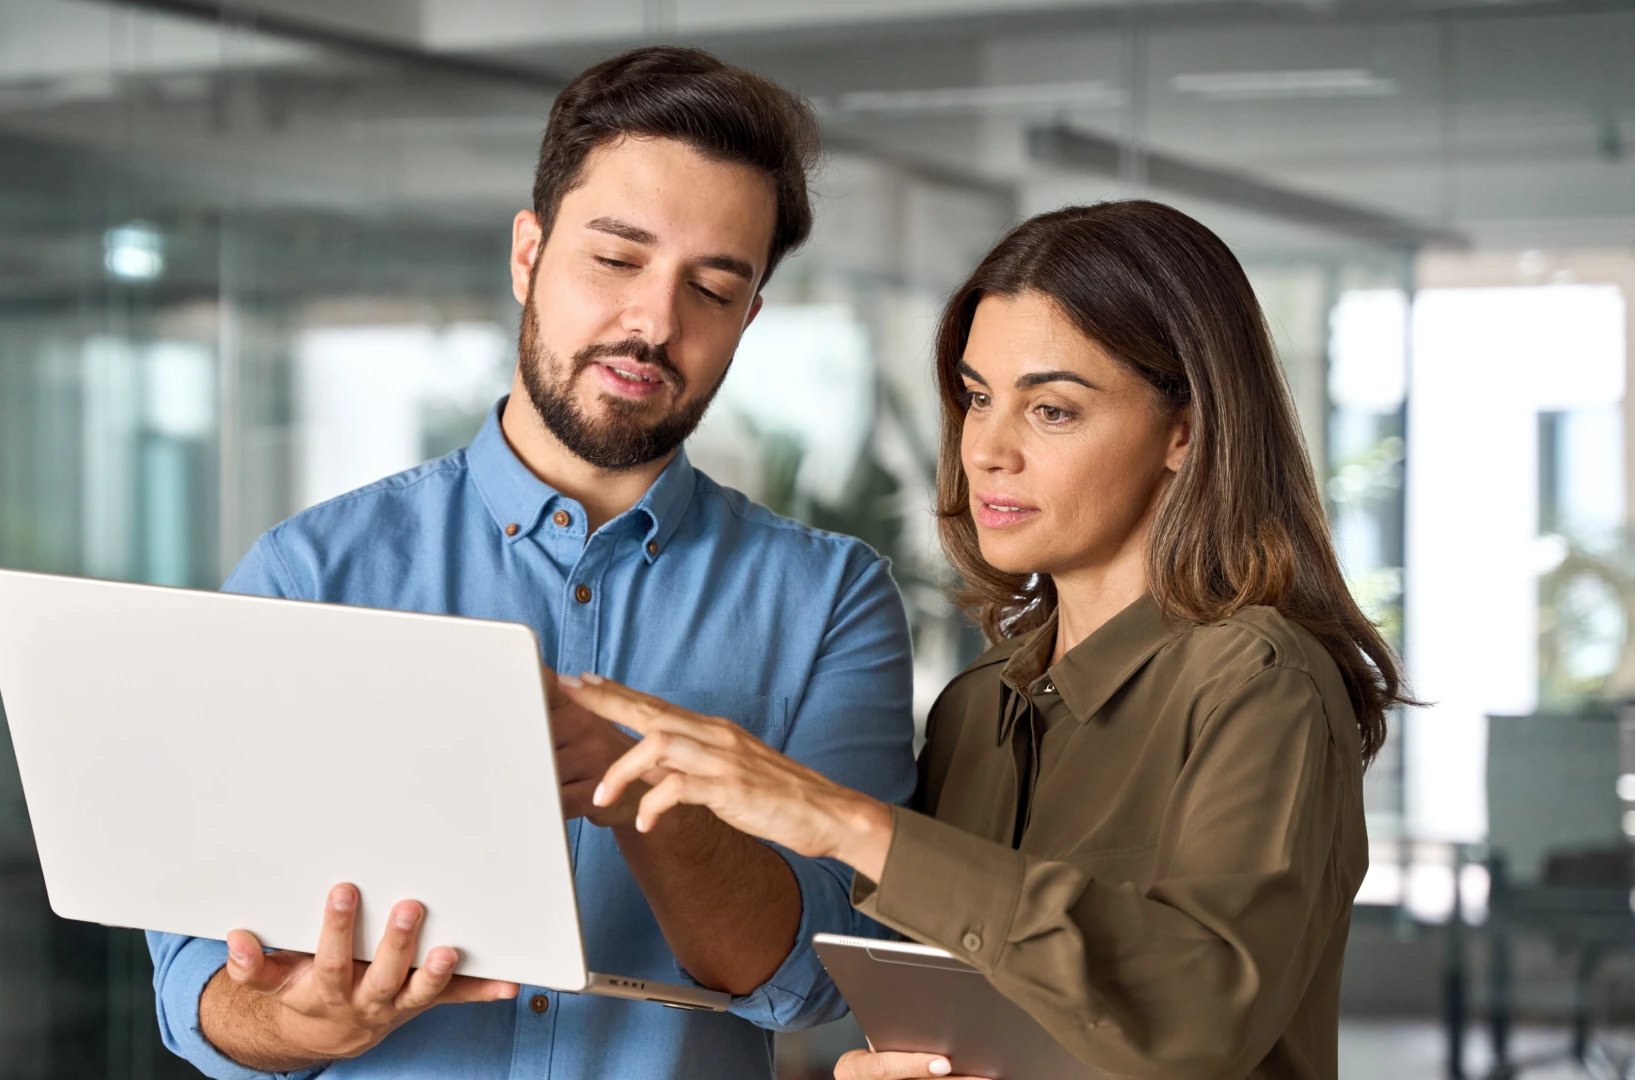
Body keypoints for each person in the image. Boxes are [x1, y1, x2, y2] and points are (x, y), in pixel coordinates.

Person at [144, 46, 919, 1080]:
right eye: (616, 258)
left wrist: (631, 784)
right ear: (528, 253)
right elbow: (194, 976)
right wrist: (297, 1023)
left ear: (748, 319)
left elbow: (823, 976)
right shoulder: (309, 573)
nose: (654, 321)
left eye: (714, 287)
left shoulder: (831, 599)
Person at [565, 199, 1413, 1080]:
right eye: (977, 398)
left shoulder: (1258, 680)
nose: (988, 450)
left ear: (1186, 429)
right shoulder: (977, 709)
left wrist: (847, 822)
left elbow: (1200, 1010)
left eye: (1051, 410)